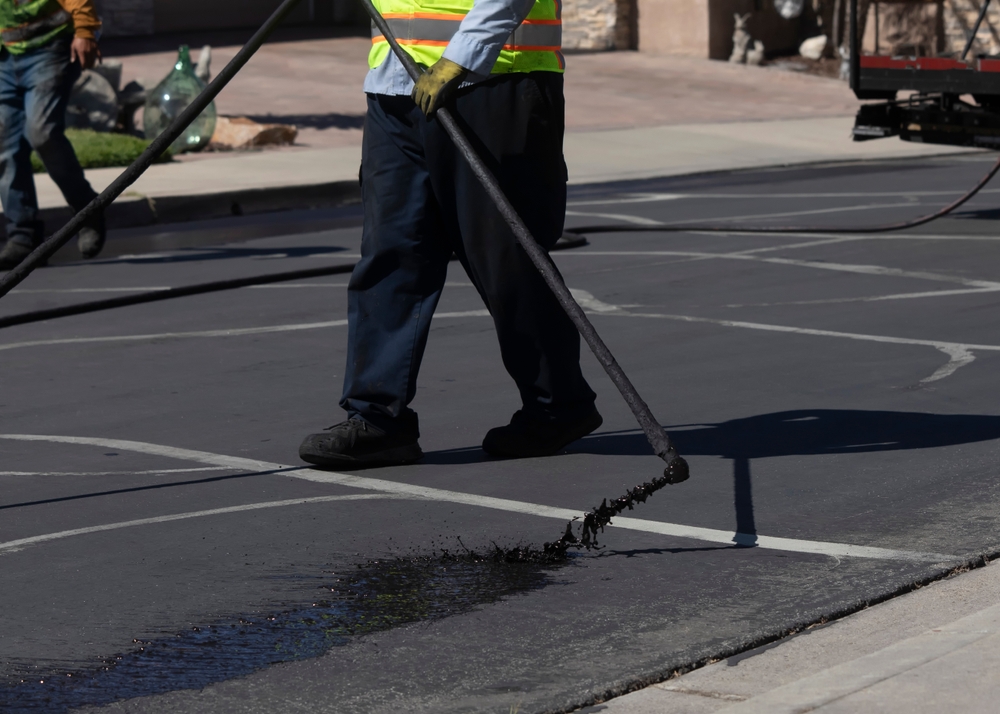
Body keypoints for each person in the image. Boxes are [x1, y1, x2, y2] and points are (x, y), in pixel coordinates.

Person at [298, 0, 602, 469]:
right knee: (391, 252)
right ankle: (378, 418)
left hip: (493, 80)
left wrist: (461, 56)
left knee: (505, 256)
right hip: (396, 84)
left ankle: (558, 406)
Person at [0, 0, 105, 270]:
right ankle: (24, 236)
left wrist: (84, 31)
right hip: (5, 58)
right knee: (6, 144)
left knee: (42, 132)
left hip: (51, 49)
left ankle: (87, 210)